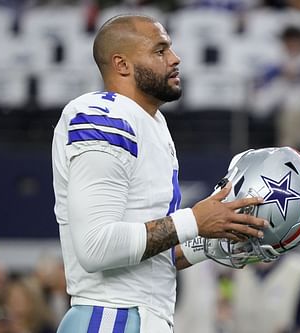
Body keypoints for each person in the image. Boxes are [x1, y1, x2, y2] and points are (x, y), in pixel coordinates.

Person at [51, 14, 268, 333]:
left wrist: (213, 239)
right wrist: (193, 220)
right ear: (122, 64)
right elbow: (96, 247)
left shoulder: (152, 123)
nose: (175, 58)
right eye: (160, 50)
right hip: (110, 317)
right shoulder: (102, 115)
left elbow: (149, 260)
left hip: (137, 315)